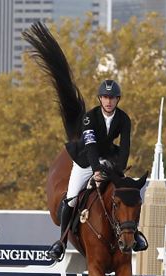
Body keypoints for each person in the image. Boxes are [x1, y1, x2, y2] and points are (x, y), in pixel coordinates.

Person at [46, 79, 147, 261]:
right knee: (72, 197)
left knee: (125, 195)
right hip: (86, 160)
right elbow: (91, 146)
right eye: (106, 97)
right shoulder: (89, 118)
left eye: (113, 98)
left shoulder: (124, 119)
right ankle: (61, 243)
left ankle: (136, 234)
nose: (109, 102)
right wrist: (96, 170)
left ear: (118, 99)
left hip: (110, 159)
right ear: (100, 98)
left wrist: (119, 169)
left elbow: (125, 147)